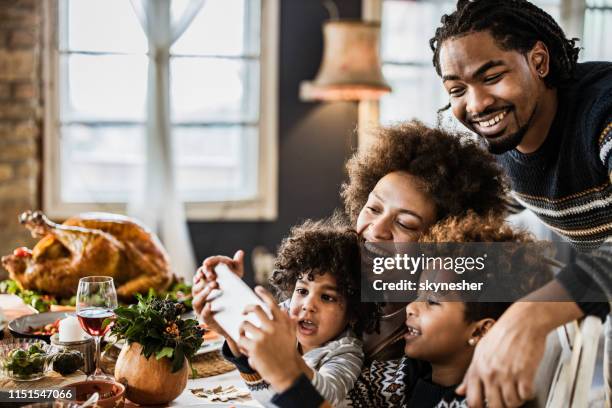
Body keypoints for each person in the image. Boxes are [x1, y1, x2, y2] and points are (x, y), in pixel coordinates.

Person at [193, 121, 509, 361]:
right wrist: (230, 314)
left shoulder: (441, 326)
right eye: (372, 208)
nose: (376, 229)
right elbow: (279, 341)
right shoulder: (338, 272)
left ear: (443, 240)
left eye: (405, 224)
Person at [428, 0, 611, 406]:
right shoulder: (500, 148)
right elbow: (460, 226)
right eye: (457, 90)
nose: (475, 106)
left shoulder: (605, 113)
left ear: (539, 61)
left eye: (491, 76)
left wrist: (531, 315)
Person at [234, 213, 553, 408]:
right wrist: (241, 343)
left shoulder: (485, 400)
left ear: (480, 330)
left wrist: (287, 371)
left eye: (433, 301)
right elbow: (332, 400)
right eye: (419, 294)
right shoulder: (402, 374)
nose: (412, 307)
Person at [198, 217, 379, 407]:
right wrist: (226, 313)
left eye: (327, 297)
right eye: (302, 291)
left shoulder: (345, 352)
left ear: (353, 313)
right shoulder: (283, 315)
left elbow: (325, 396)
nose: (308, 305)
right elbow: (261, 389)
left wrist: (285, 357)